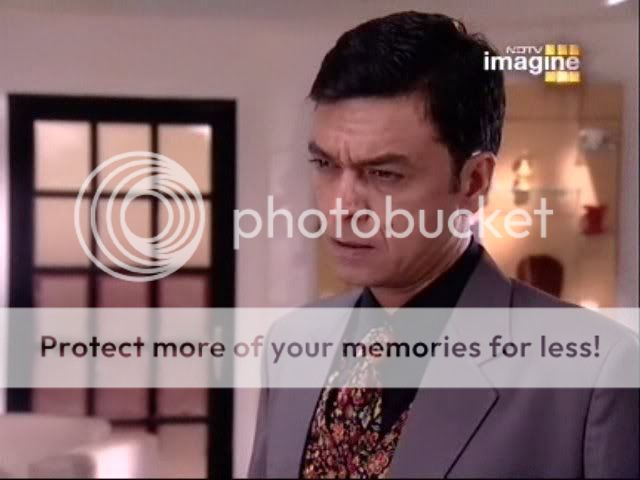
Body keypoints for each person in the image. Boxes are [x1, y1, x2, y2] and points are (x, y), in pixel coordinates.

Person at [248, 11, 639, 478]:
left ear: (474, 182)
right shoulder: (291, 342)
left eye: (384, 173)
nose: (341, 206)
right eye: (326, 165)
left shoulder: (594, 373)